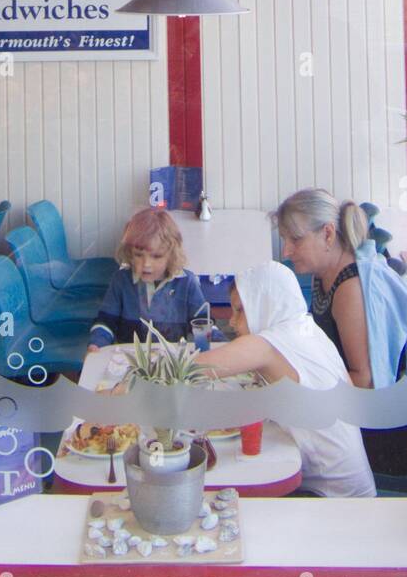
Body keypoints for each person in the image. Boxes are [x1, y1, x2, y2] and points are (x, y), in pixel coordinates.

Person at [194, 263, 376, 499]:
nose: (231, 322)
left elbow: (189, 370)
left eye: (240, 310)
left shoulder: (269, 344)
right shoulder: (306, 329)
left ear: (265, 303)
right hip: (354, 485)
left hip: (333, 498)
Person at [274, 188, 407, 389]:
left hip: (377, 412)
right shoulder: (324, 270)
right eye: (284, 239)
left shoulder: (350, 290)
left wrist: (302, 385)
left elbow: (365, 382)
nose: (286, 251)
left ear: (328, 234)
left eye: (295, 240)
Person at [87, 207, 221, 351]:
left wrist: (220, 344)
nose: (146, 264)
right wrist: (97, 343)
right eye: (138, 255)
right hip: (129, 361)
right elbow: (106, 322)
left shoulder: (186, 282)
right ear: (129, 252)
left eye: (156, 256)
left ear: (171, 255)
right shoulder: (121, 281)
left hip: (172, 361)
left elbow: (202, 323)